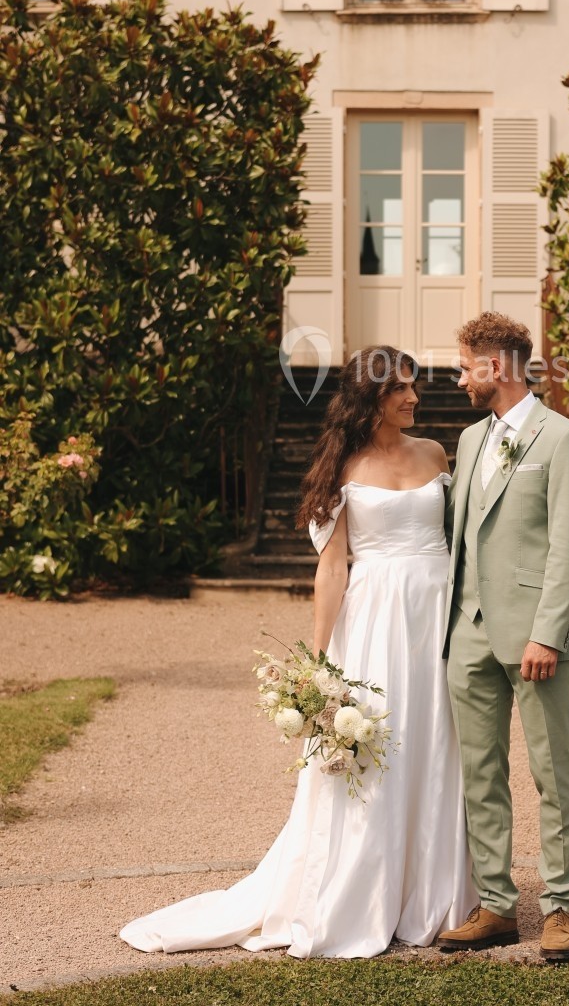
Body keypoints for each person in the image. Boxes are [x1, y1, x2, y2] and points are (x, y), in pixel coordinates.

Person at [120, 346, 474, 959]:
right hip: (374, 621)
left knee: (435, 742)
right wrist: (318, 663)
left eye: (414, 387)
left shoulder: (436, 454)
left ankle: (433, 894)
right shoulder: (344, 465)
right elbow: (332, 569)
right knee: (375, 747)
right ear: (370, 398)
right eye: (400, 391)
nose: (414, 398)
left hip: (435, 613)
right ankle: (361, 892)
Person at [438, 312, 569, 962]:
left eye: (467, 365)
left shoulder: (563, 439)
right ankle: (498, 905)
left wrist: (548, 634)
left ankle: (559, 908)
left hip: (535, 638)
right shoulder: (471, 439)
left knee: (552, 772)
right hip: (467, 634)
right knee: (480, 773)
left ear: (497, 367)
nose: (459, 376)